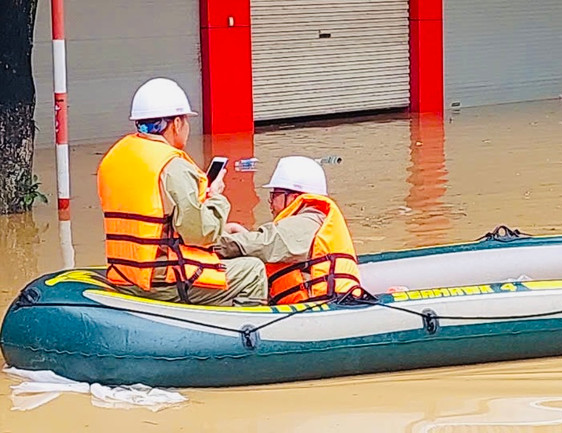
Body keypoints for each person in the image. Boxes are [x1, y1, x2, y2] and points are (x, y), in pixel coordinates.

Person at [96, 78, 267, 306]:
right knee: (253, 270)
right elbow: (200, 234)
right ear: (176, 123)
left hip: (124, 275)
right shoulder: (173, 166)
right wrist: (217, 198)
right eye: (186, 120)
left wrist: (221, 227)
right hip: (162, 282)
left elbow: (158, 225)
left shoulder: (115, 158)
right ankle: (237, 325)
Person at [217, 156, 363, 305]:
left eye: (274, 195)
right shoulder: (312, 220)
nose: (270, 204)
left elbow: (265, 244)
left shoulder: (307, 222)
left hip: (317, 305)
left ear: (293, 197)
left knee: (250, 271)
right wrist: (241, 233)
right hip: (318, 302)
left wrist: (210, 240)